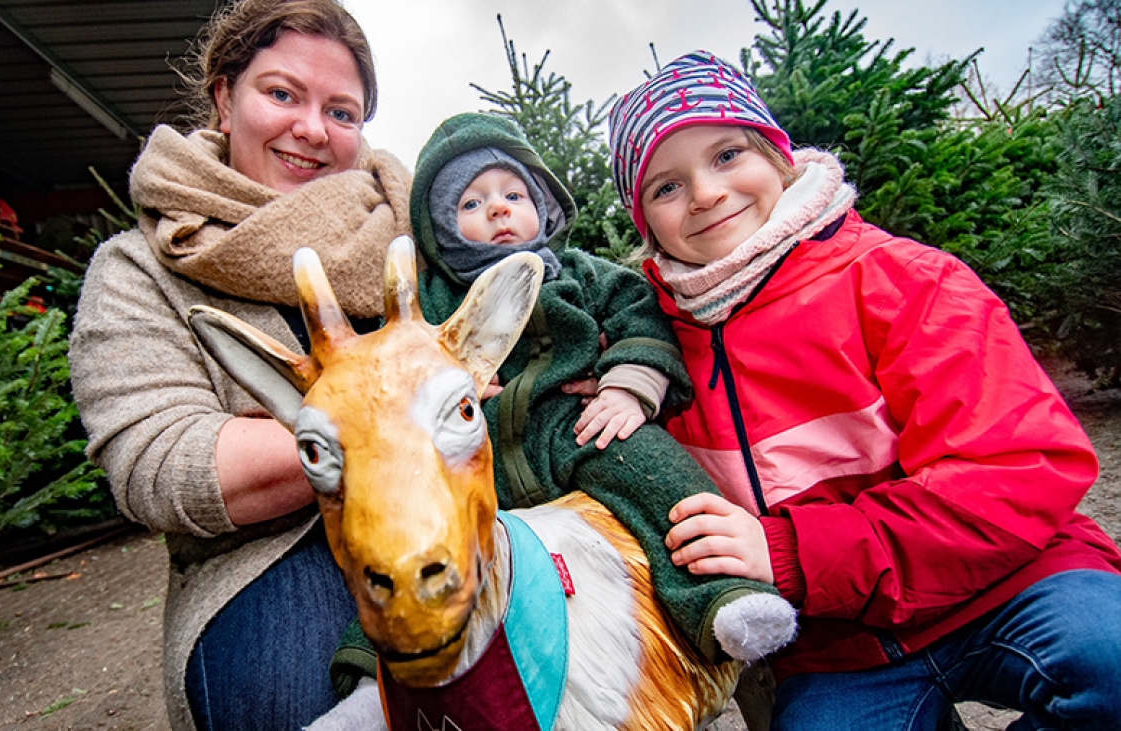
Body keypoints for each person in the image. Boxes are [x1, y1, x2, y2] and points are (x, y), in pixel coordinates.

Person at [608, 49, 1121, 729]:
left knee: (1108, 660)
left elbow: (1018, 470)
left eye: (728, 154)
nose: (703, 192)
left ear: (780, 158)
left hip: (1014, 583)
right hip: (838, 649)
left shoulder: (903, 279)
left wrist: (789, 551)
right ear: (645, 223)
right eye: (666, 187)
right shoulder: (651, 358)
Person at [67, 2, 411, 729]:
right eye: (282, 94)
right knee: (293, 697)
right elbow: (158, 462)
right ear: (225, 98)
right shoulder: (139, 269)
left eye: (341, 110)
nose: (312, 129)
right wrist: (393, 422)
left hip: (442, 508)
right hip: (269, 552)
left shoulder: (413, 228)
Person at [407, 111, 797, 665]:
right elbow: (402, 357)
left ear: (540, 204)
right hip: (480, 449)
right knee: (422, 531)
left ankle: (725, 595)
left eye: (512, 194)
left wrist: (627, 388)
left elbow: (641, 318)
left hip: (583, 424)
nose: (496, 208)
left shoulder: (579, 273)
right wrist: (443, 387)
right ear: (441, 227)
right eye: (470, 204)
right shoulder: (437, 298)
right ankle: (373, 674)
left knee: (658, 473)